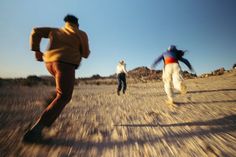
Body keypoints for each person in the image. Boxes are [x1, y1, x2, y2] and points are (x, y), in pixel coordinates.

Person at [23, 14, 90, 142]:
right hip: (65, 64)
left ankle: (51, 103)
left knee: (61, 91)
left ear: (66, 23)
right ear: (77, 24)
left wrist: (36, 49)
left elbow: (35, 31)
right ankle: (36, 131)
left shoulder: (56, 30)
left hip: (49, 63)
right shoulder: (81, 33)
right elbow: (86, 54)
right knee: (64, 96)